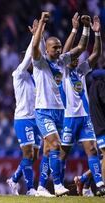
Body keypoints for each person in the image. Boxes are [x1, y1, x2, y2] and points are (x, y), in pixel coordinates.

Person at [31, 11, 89, 196]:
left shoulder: (62, 62)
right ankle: (57, 185)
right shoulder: (40, 63)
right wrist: (42, 24)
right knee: (56, 145)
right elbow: (34, 47)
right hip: (43, 111)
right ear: (46, 50)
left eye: (59, 47)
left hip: (59, 111)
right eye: (54, 48)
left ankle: (40, 187)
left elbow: (80, 47)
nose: (58, 50)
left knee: (48, 150)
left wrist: (84, 28)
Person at [58, 15, 105, 196]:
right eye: (74, 56)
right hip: (69, 117)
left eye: (79, 56)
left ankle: (99, 184)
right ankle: (58, 184)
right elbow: (68, 50)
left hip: (85, 117)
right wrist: (76, 29)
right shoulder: (63, 69)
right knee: (63, 154)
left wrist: (95, 32)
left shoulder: (81, 70)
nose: (77, 57)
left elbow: (96, 54)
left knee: (92, 149)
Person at [6, 19, 42, 196]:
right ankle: (30, 189)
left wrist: (38, 38)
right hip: (23, 119)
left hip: (37, 120)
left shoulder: (36, 78)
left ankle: (13, 180)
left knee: (34, 157)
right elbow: (30, 55)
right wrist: (35, 36)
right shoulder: (18, 74)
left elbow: (35, 55)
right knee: (28, 154)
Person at [74, 68, 105, 196]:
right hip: (102, 126)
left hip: (98, 125)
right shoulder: (101, 85)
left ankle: (82, 179)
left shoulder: (93, 85)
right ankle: (102, 187)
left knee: (103, 158)